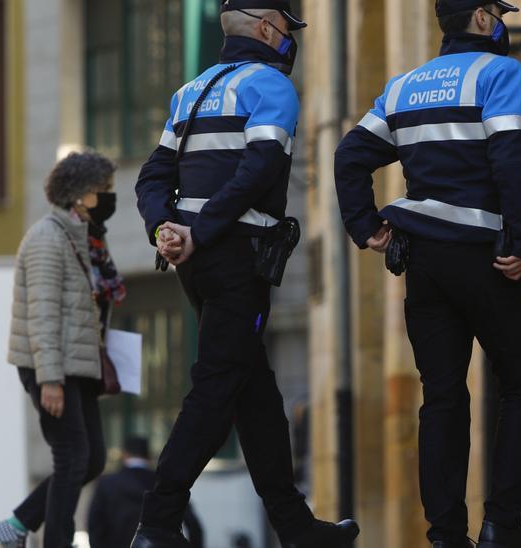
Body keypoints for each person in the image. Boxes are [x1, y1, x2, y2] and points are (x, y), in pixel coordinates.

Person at [133, 2, 358, 547]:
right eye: (286, 29)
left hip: (197, 259)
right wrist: (202, 230)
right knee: (215, 389)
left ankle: (296, 527)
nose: (289, 41)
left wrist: (166, 224)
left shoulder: (192, 91)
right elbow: (260, 169)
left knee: (253, 391)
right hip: (235, 257)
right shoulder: (271, 85)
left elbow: (154, 174)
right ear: (266, 29)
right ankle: (158, 524)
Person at [334, 1, 521, 546]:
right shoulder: (500, 72)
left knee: (443, 396)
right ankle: (501, 522)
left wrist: (366, 227)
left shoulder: (404, 86)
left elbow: (349, 156)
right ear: (480, 16)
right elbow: (513, 160)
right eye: (496, 13)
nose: (500, 22)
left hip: (424, 262)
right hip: (485, 257)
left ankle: (446, 533)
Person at [0, 151, 119, 548]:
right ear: (79, 195)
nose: (109, 199)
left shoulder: (83, 239)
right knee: (72, 456)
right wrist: (49, 379)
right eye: (103, 191)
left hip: (77, 364)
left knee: (92, 458)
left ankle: (15, 527)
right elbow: (43, 313)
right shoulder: (48, 238)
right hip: (52, 367)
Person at [87, 437, 204, 548]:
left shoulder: (107, 483)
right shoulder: (164, 482)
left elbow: (95, 525)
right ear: (148, 457)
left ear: (125, 455)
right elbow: (193, 525)